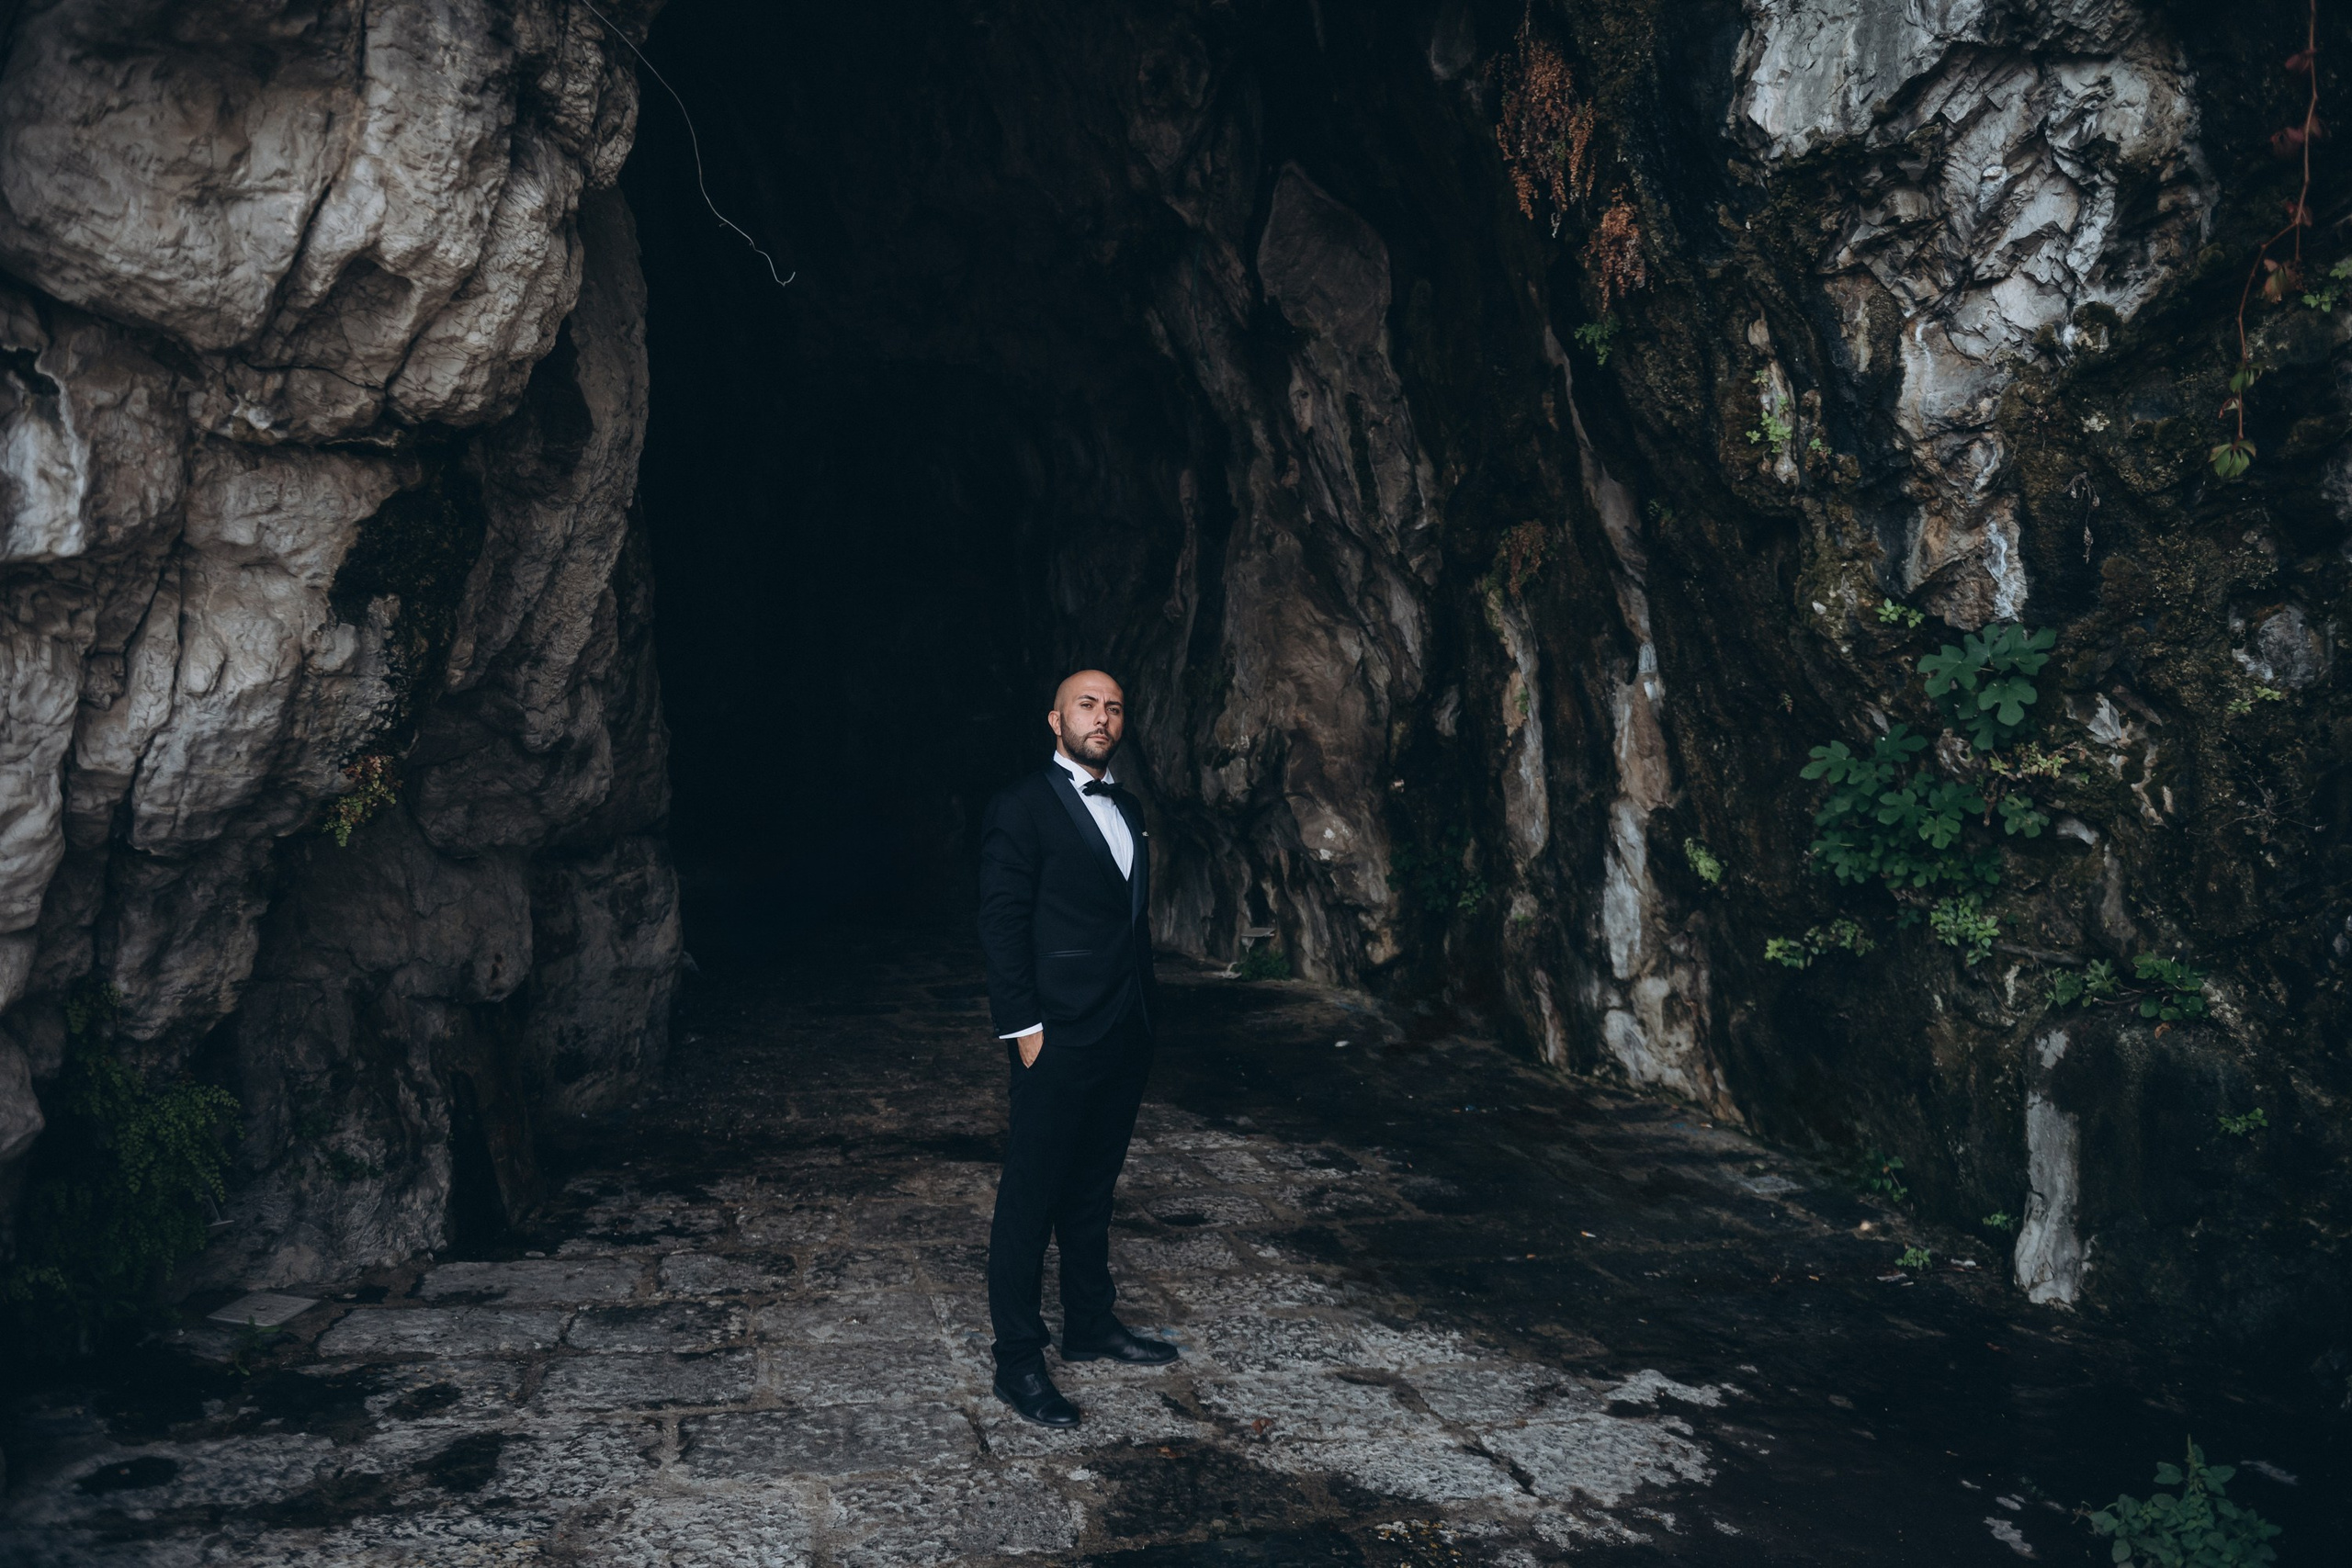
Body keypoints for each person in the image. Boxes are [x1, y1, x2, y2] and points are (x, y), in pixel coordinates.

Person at [976, 668, 1178, 1427]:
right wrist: (1023, 1029)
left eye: (1115, 706)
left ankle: (1090, 1324)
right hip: (1054, 1034)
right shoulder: (1020, 806)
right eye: (1087, 705)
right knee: (1030, 1200)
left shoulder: (1128, 805)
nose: (1103, 716)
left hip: (1126, 1030)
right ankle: (1018, 1362)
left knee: (1093, 1190)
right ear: (1055, 719)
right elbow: (1001, 922)